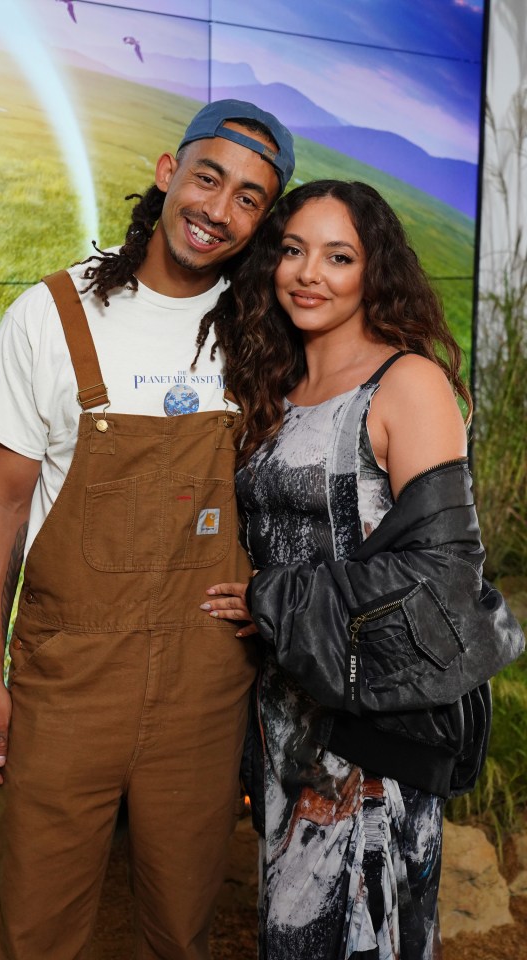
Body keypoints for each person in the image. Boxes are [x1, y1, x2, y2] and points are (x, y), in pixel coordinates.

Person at [0, 99, 295, 960]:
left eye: (250, 198)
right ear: (166, 172)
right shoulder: (53, 313)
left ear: (263, 220)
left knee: (181, 926)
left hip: (207, 681)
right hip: (66, 677)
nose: (218, 210)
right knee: (29, 922)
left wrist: (281, 602)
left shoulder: (266, 332)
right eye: (209, 177)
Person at [200, 180, 524, 959]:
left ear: (372, 271)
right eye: (292, 250)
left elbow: (446, 578)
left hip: (374, 724)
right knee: (291, 933)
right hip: (285, 714)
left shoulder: (406, 383)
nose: (309, 273)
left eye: (338, 256)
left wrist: (274, 598)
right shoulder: (277, 388)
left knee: (359, 935)